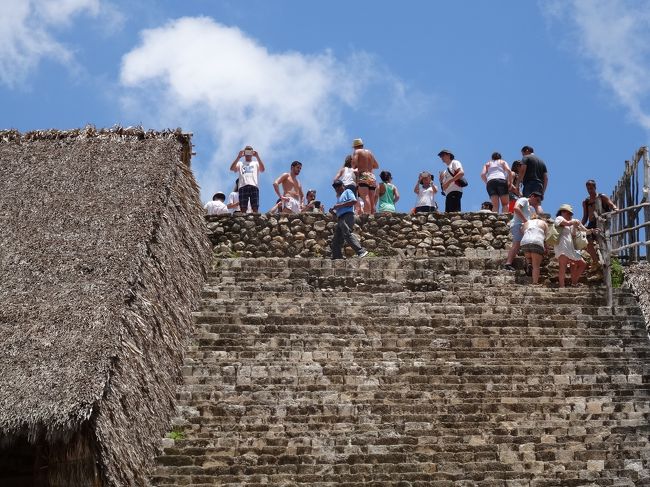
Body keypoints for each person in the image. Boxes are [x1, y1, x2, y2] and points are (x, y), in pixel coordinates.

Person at [503, 191, 544, 271]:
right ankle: (508, 263)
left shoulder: (531, 208)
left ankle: (528, 265)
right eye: (537, 200)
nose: (537, 203)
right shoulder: (524, 200)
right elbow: (516, 208)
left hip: (525, 227)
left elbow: (535, 218)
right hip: (518, 224)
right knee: (517, 243)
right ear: (532, 196)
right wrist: (525, 221)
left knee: (527, 245)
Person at [581, 179, 617, 268]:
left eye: (591, 188)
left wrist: (615, 209)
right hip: (591, 223)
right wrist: (580, 225)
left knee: (602, 240)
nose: (590, 190)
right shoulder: (586, 202)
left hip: (602, 221)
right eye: (588, 188)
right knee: (586, 239)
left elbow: (612, 205)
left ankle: (607, 259)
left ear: (595, 187)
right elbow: (585, 217)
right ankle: (596, 261)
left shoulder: (602, 197)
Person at [330, 179, 368, 259]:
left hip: (347, 216)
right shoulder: (339, 197)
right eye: (335, 187)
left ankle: (361, 251)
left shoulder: (347, 191)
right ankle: (337, 256)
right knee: (337, 239)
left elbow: (354, 201)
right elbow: (339, 212)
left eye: (338, 186)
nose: (337, 189)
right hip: (340, 218)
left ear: (342, 186)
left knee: (347, 234)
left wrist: (339, 206)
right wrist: (333, 212)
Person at [555, 204, 587, 288]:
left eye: (570, 214)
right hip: (562, 246)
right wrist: (573, 222)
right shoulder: (559, 218)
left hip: (569, 248)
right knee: (563, 267)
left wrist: (590, 230)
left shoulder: (570, 223)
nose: (570, 215)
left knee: (582, 264)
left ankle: (574, 283)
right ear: (562, 212)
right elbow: (566, 223)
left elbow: (574, 234)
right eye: (568, 213)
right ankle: (562, 287)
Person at [229, 145, 265, 212]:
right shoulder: (240, 163)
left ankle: (256, 219)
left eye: (250, 152)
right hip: (242, 186)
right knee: (243, 207)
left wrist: (257, 156)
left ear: (252, 153)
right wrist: (238, 157)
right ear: (244, 153)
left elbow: (262, 169)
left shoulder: (256, 163)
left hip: (254, 185)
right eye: (247, 152)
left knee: (255, 206)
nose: (248, 154)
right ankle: (243, 220)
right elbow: (232, 168)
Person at [351, 138, 379, 214]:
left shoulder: (357, 151)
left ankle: (367, 215)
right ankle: (373, 216)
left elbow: (353, 165)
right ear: (362, 145)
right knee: (372, 200)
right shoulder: (370, 152)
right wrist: (368, 165)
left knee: (365, 197)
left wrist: (359, 166)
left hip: (363, 175)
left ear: (355, 146)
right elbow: (376, 166)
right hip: (372, 176)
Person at [520, 214, 548, 284]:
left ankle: (529, 263)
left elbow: (522, 231)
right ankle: (535, 282)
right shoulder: (543, 223)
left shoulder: (526, 222)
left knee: (530, 259)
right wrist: (546, 248)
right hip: (537, 242)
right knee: (536, 265)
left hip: (525, 242)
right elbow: (546, 237)